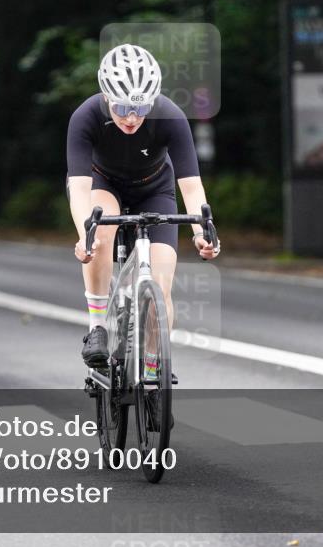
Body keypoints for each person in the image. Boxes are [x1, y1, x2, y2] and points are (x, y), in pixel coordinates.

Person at [67, 44, 221, 371]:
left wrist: (202, 232)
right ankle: (97, 328)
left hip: (155, 189)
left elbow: (191, 185)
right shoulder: (85, 116)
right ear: (106, 96)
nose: (133, 118)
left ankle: (152, 369)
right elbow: (79, 187)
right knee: (101, 231)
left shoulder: (171, 116)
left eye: (141, 107)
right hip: (102, 184)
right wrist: (85, 234)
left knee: (161, 292)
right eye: (122, 107)